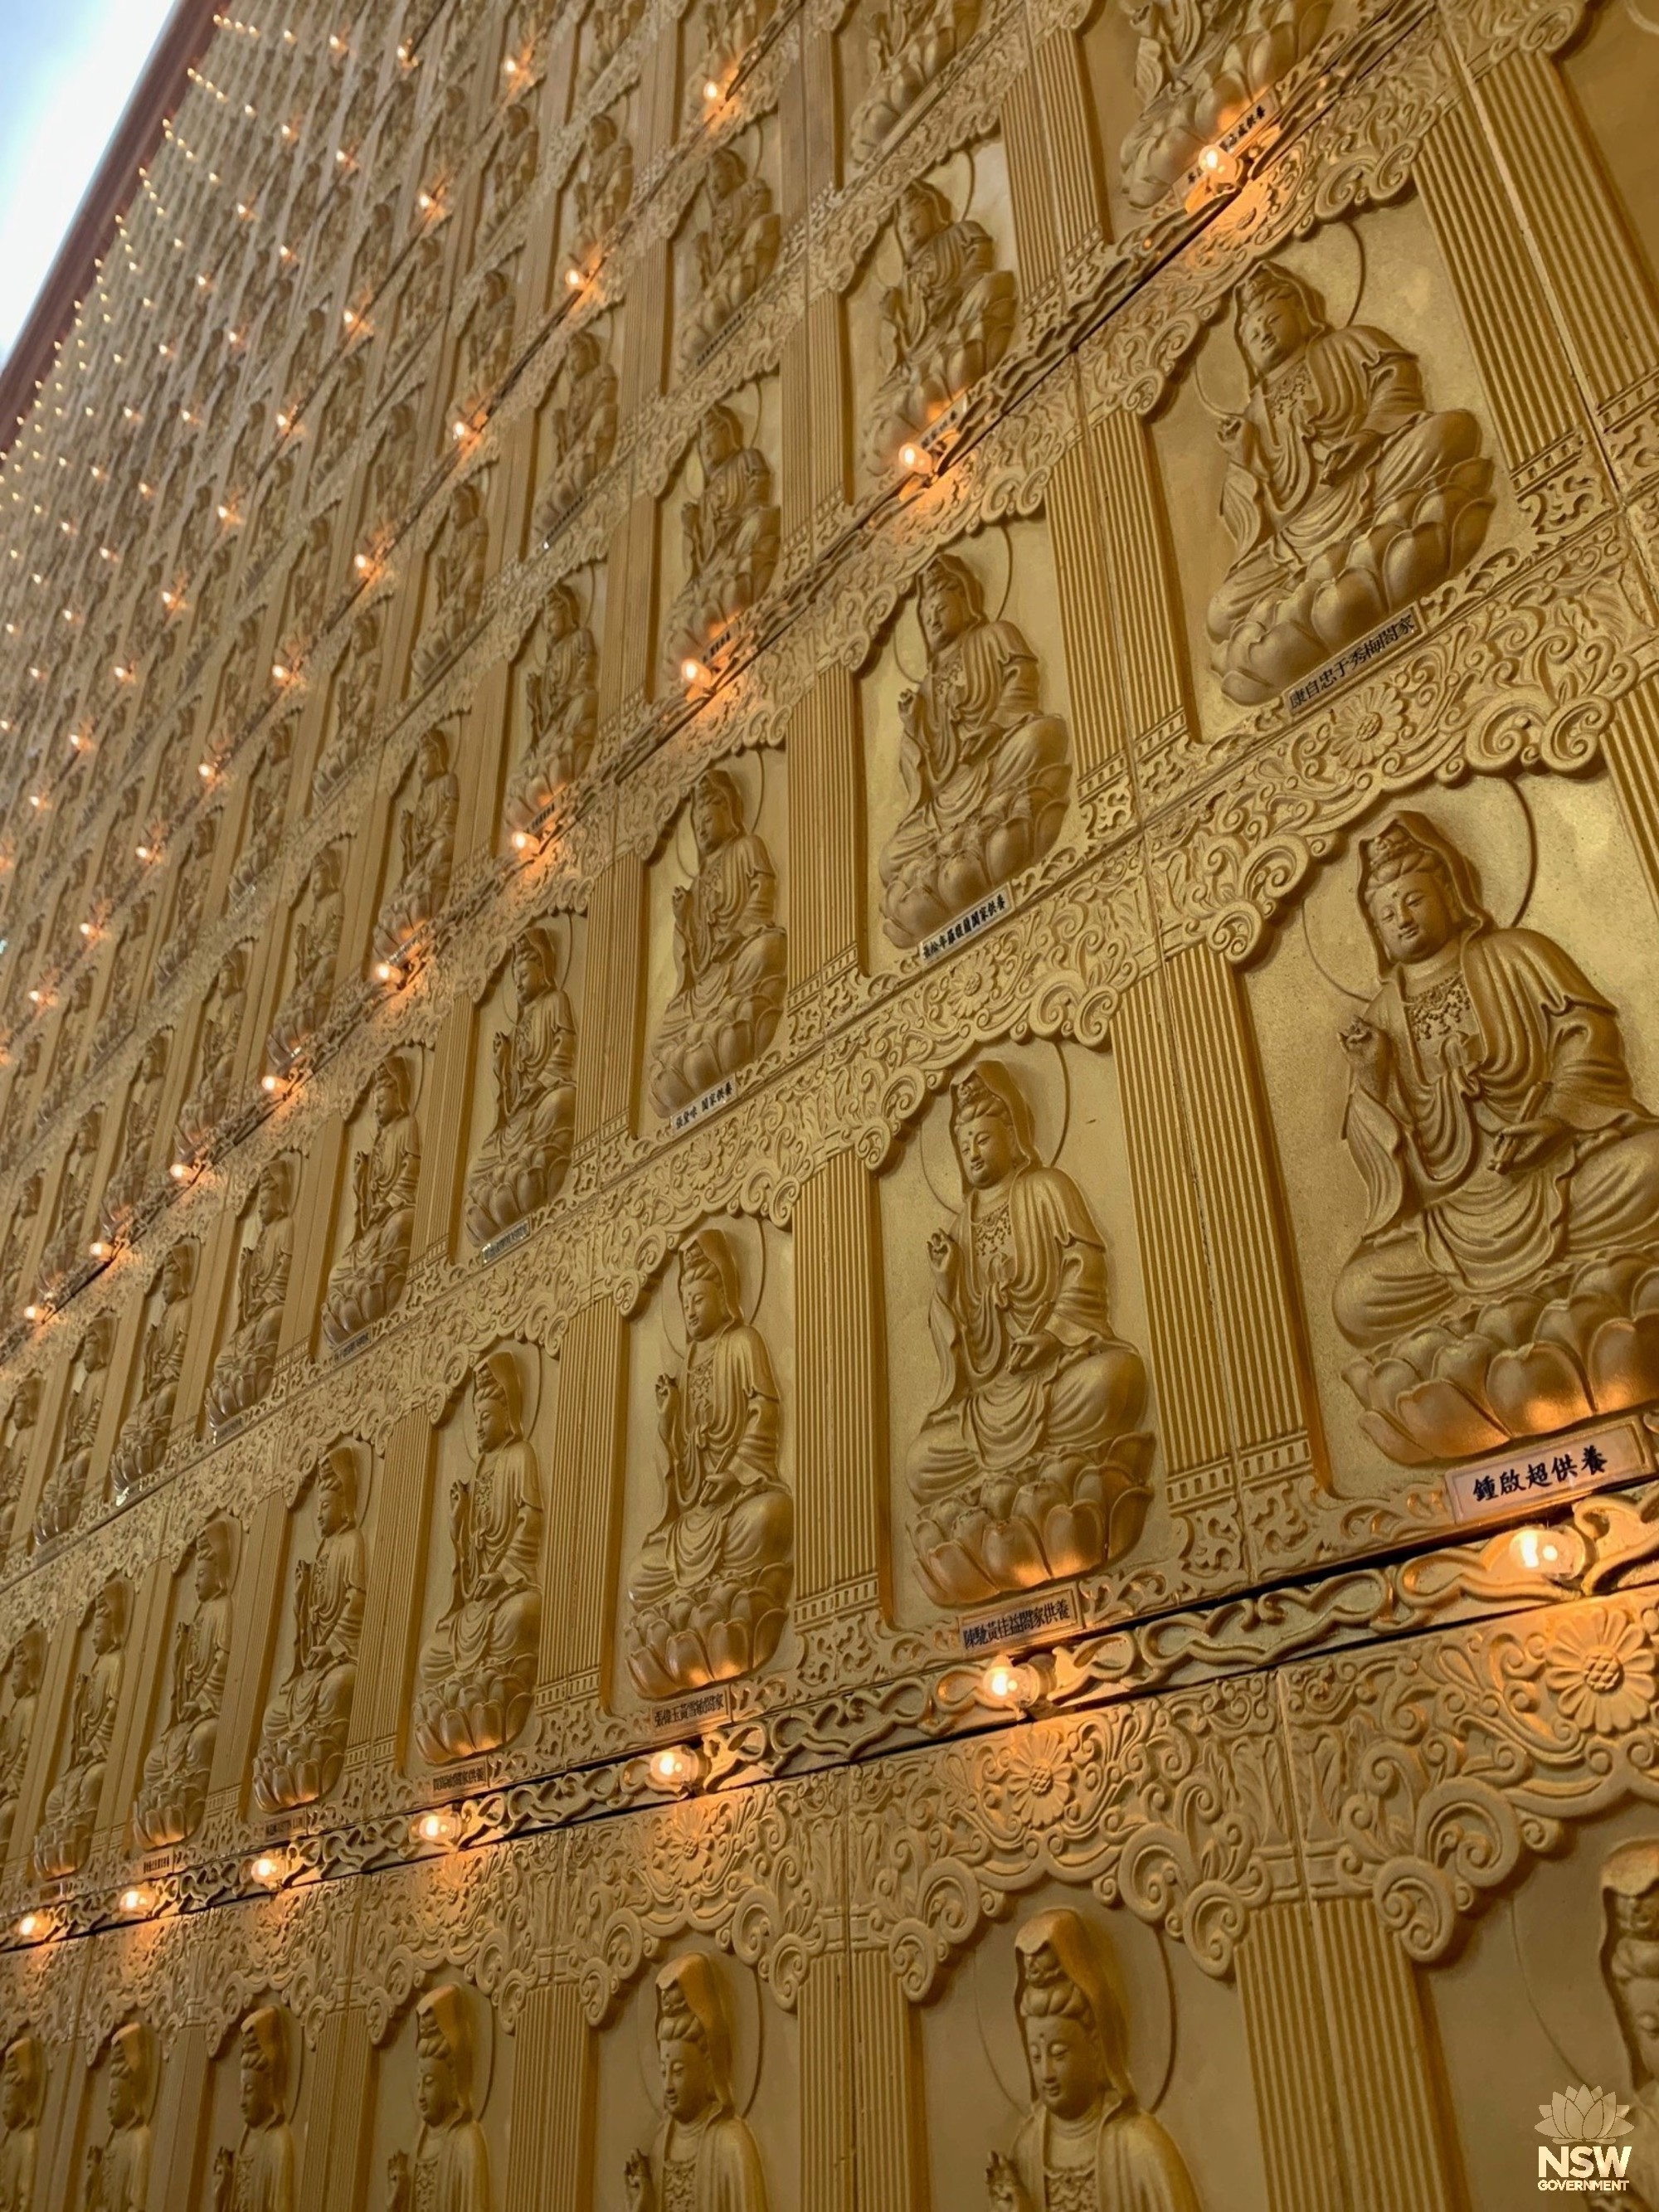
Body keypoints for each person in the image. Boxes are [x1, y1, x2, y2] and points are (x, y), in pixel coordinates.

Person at [1334, 814, 1659, 1352]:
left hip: (1558, 1176)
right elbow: (1388, 1168)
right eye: (1387, 913)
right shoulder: (1381, 1019)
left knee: (1650, 1165)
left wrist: (1558, 1118)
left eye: (1413, 899)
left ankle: (1505, 1324)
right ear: (1377, 933)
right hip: (1451, 1221)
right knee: (1357, 1297)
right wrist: (1372, 1077)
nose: (1403, 919)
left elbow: (1585, 1036)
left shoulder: (1516, 954)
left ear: (1449, 893)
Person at [907, 1064, 1152, 1604]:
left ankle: (1019, 1506)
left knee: (1113, 1379)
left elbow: (1084, 1264)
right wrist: (947, 1283)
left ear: (1012, 1133)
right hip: (990, 1400)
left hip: (1057, 1374)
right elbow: (965, 1349)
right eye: (964, 1144)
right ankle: (1034, 1497)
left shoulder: (1046, 1190)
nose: (973, 1153)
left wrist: (1055, 1334)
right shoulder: (961, 1227)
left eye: (982, 1138)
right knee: (922, 1463)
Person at [1204, 261, 1491, 704]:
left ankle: (1345, 566)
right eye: (1253, 331)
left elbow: (1397, 383)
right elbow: (1262, 519)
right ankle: (1361, 554)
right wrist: (1247, 459)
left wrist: (1367, 436)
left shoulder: (1348, 345)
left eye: (1273, 319)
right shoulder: (1253, 417)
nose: (1264, 333)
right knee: (1222, 611)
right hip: (1300, 538)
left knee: (1449, 432)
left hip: (1374, 480)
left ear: (1302, 313)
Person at [627, 1230, 793, 1696]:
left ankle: (709, 1611)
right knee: (641, 1573)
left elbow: (764, 1412)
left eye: (699, 1299)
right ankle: (712, 1609)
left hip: (740, 1502)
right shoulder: (690, 1362)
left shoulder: (743, 1343)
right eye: (685, 1304)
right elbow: (685, 1473)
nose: (691, 1311)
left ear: (725, 1293)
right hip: (697, 1518)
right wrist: (667, 1422)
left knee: (769, 1517)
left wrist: (736, 1473)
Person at [878, 553, 1070, 950]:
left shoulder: (995, 636)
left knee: (1041, 737)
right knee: (890, 858)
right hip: (951, 798)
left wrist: (995, 726)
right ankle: (976, 838)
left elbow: (1022, 680)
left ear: (965, 600)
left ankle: (972, 843)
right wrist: (914, 727)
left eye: (940, 608)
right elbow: (930, 774)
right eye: (926, 616)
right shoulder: (926, 688)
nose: (933, 620)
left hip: (998, 763)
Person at [988, 1910, 1200, 2212]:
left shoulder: (1138, 2147)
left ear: (1096, 2049)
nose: (1047, 2072)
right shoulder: (1027, 2150)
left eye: (1059, 2053)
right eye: (1036, 2056)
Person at [414, 1353, 543, 1763]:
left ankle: (480, 1693)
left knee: (523, 1612)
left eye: (486, 1417)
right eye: (476, 1419)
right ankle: (477, 1692)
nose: (479, 1427)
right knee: (431, 1655)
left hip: (507, 1592)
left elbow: (530, 1521)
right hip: (476, 1605)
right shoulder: (480, 1470)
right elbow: (470, 1554)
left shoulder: (519, 1456)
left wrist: (503, 1574)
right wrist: (458, 1523)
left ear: (508, 1413)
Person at [649, 770, 786, 1116]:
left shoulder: (747, 849)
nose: (703, 829)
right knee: (663, 1033)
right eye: (698, 825)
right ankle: (715, 1031)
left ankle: (717, 1032)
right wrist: (684, 920)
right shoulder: (696, 885)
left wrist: (740, 932)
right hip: (708, 985)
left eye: (708, 818)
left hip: (740, 961)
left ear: (729, 811)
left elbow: (763, 892)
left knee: (766, 949)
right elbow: (695, 960)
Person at [867, 179, 1015, 473]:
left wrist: (958, 289)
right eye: (904, 228)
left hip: (960, 322)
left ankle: (933, 385)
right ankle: (932, 384)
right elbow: (903, 347)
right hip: (926, 355)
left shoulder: (960, 233)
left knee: (992, 287)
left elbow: (981, 255)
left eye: (914, 219)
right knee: (880, 409)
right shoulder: (906, 282)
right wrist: (892, 317)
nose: (909, 230)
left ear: (933, 211)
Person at [253, 1444, 367, 1812]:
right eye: (318, 1506)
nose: (319, 1513)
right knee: (274, 1714)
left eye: (326, 1505)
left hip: (338, 1658)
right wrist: (302, 1596)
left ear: (345, 1502)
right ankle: (303, 1752)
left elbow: (355, 1600)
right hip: (313, 1667)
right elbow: (310, 1621)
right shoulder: (322, 1552)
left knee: (340, 1684)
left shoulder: (351, 1543)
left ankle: (309, 1752)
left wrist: (332, 1646)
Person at [624, 1956, 769, 2212]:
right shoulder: (659, 2148)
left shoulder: (731, 2146)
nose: (668, 2085)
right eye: (664, 2071)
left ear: (708, 2067)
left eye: (679, 2071)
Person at [464, 926, 577, 1246]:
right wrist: (503, 1065)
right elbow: (511, 1096)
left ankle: (523, 1174)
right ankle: (521, 1173)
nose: (519, 985)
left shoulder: (555, 1002)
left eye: (524, 975)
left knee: (561, 1102)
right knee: (475, 1169)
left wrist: (540, 1083)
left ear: (543, 968)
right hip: (519, 1122)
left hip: (544, 1101)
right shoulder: (518, 1028)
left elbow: (564, 1044)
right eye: (515, 980)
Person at [321, 1057, 421, 1348]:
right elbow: (369, 1201)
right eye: (375, 1104)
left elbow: (411, 1170)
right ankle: (368, 1284)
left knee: (401, 1224)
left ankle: (371, 1284)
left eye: (382, 1101)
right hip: (374, 1231)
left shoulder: (406, 1126)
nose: (376, 1109)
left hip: (395, 1213)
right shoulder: (380, 1141)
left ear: (397, 1093)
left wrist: (390, 1202)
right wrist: (360, 1180)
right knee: (336, 1275)